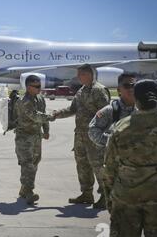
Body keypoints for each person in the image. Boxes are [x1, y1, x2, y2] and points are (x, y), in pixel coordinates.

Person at [103, 79, 157, 237]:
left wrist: (110, 200)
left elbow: (109, 169)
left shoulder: (121, 129)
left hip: (126, 199)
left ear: (135, 99)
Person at [52, 64, 110, 208]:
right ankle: (86, 194)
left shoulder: (99, 90)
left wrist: (102, 135)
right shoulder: (81, 90)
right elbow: (72, 109)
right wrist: (56, 114)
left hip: (94, 137)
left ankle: (106, 196)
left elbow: (106, 114)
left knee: (98, 165)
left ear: (89, 75)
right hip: (80, 136)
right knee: (82, 165)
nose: (78, 77)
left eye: (81, 74)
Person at [13, 75, 54, 204]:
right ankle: (29, 192)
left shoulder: (40, 99)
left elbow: (43, 115)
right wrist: (51, 117)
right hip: (24, 137)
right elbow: (36, 116)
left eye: (39, 86)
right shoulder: (23, 101)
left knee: (35, 163)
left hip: (36, 136)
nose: (39, 88)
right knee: (27, 165)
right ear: (28, 87)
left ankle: (24, 189)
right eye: (36, 86)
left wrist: (46, 130)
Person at [89, 73, 137, 148]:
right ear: (119, 90)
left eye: (134, 86)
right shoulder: (109, 110)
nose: (131, 89)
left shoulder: (141, 111)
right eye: (126, 86)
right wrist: (113, 142)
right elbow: (93, 130)